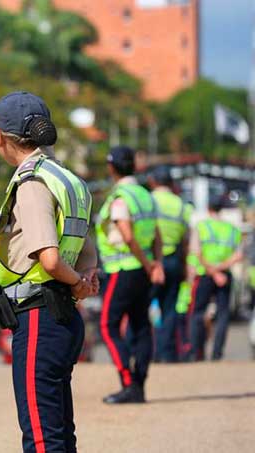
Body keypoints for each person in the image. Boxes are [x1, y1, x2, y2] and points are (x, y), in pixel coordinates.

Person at [0, 91, 98, 453]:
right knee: (59, 433)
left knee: (42, 438)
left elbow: (48, 259)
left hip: (38, 320)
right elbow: (87, 249)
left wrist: (76, 282)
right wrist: (82, 282)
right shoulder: (67, 179)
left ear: (0, 138)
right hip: (62, 316)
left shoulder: (32, 183)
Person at [95, 145, 164, 404]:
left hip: (122, 269)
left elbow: (127, 235)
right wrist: (155, 263)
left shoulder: (120, 197)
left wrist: (148, 264)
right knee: (142, 326)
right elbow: (156, 234)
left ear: (112, 167)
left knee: (107, 325)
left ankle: (128, 382)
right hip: (143, 271)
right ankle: (140, 384)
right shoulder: (146, 195)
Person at [188, 196, 243, 361]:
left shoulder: (202, 227)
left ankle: (197, 353)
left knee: (197, 313)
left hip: (205, 274)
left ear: (208, 209)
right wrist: (220, 270)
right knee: (223, 314)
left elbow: (196, 252)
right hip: (224, 275)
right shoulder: (232, 229)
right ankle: (217, 353)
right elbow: (238, 255)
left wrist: (213, 271)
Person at [148, 166, 192, 362]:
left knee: (141, 307)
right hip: (173, 259)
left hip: (150, 260)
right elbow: (186, 240)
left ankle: (142, 351)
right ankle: (165, 354)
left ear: (154, 181)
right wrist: (184, 266)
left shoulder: (148, 200)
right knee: (169, 308)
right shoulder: (182, 205)